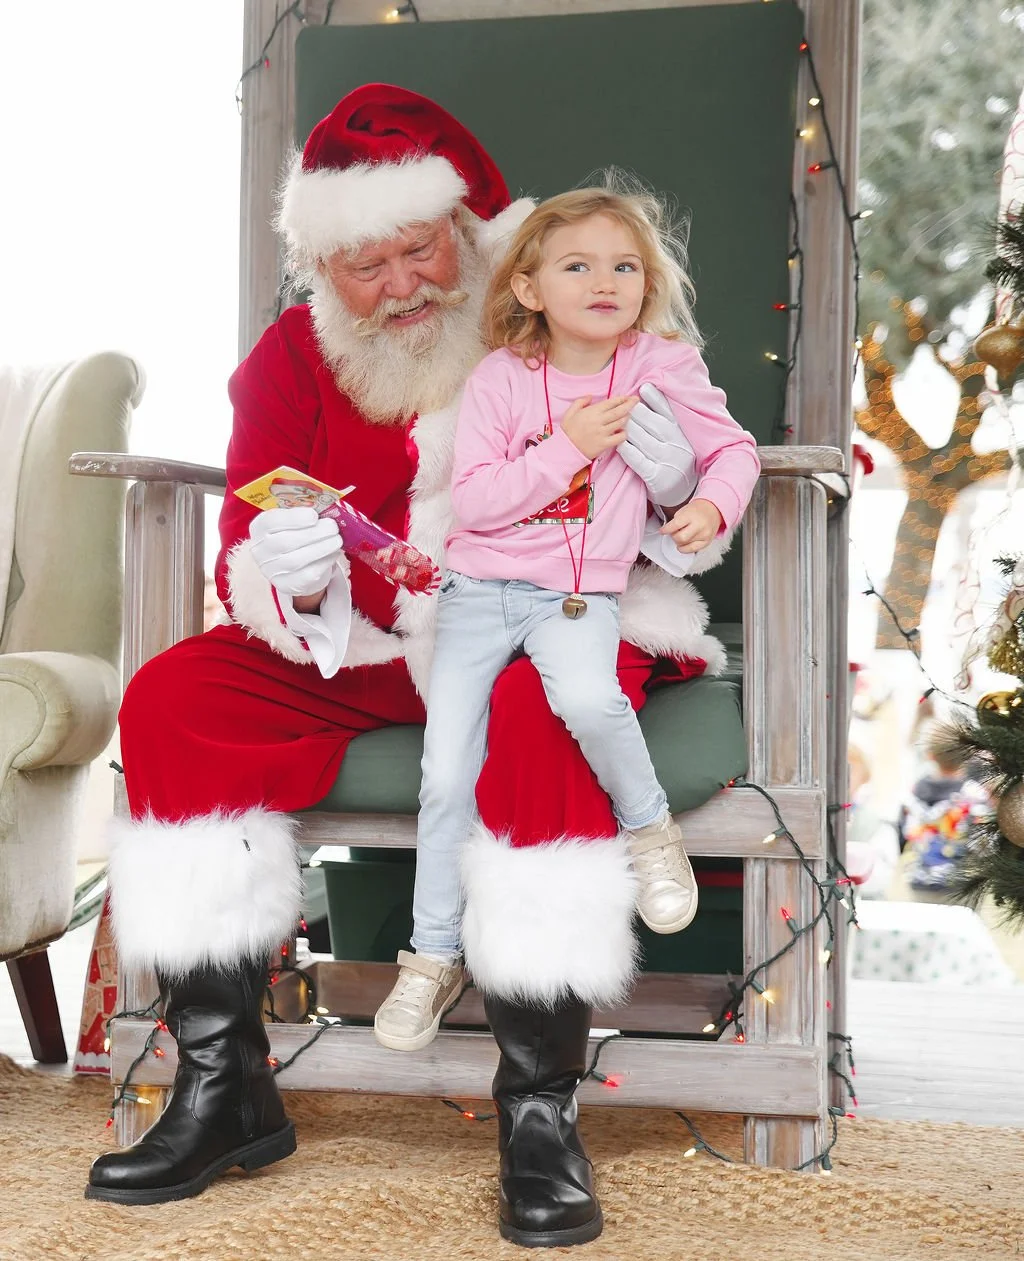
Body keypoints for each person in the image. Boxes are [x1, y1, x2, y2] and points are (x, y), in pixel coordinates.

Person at [86, 84, 745, 1249]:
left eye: (420, 248)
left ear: (471, 228)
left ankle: (537, 1109)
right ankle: (224, 1086)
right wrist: (288, 569)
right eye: (364, 264)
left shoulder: (559, 317)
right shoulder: (288, 360)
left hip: (554, 617)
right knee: (173, 697)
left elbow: (693, 491)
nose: (401, 285)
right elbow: (252, 536)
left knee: (543, 711)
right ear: (318, 268)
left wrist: (680, 480)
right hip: (373, 642)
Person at [373, 187, 758, 1055]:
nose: (604, 282)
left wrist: (708, 503)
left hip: (579, 596)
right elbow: (476, 502)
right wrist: (569, 447)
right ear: (530, 288)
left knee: (588, 700)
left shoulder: (660, 365)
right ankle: (431, 955)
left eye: (624, 266)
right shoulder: (501, 379)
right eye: (577, 266)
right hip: (478, 595)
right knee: (445, 776)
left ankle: (650, 829)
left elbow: (732, 449)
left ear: (647, 283)